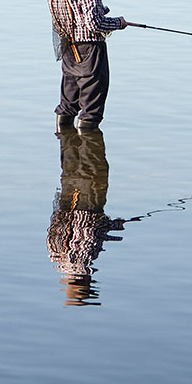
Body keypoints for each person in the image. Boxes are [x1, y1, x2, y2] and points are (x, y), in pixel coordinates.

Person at [48, 0, 127, 133]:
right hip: (90, 51)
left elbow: (71, 16)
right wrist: (119, 23)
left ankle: (66, 146)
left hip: (68, 48)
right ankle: (89, 153)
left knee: (68, 101)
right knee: (92, 106)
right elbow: (95, 25)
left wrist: (101, 11)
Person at [47, 127, 124, 306]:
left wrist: (116, 228)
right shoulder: (55, 256)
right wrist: (114, 227)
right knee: (77, 163)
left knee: (92, 165)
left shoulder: (76, 260)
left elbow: (93, 232)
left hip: (85, 204)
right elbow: (90, 233)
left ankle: (84, 131)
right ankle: (81, 131)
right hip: (66, 201)